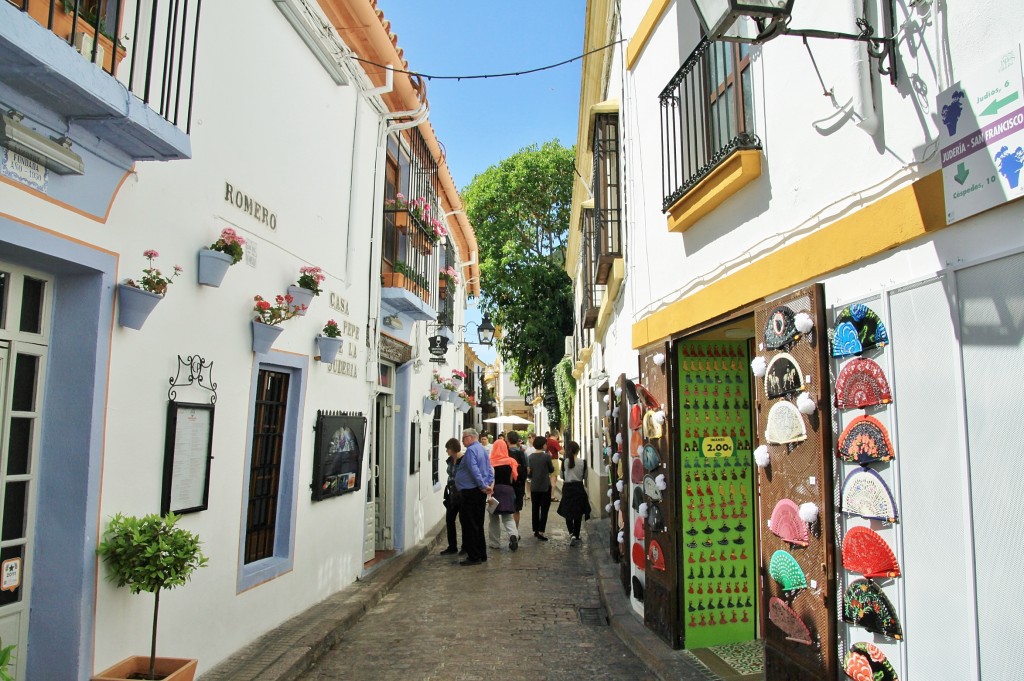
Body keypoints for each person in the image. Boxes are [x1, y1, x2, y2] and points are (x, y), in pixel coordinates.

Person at [455, 428, 494, 566]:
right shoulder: (482, 449)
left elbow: (474, 469)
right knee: (478, 523)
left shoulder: (471, 450)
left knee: (470, 524)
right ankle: (481, 554)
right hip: (478, 491)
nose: (463, 440)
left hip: (470, 491)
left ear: (471, 437)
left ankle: (474, 556)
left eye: (464, 437)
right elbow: (489, 469)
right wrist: (487, 484)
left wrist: (483, 485)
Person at [487, 438, 521, 551]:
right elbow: (513, 478)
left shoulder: (490, 462)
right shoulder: (511, 462)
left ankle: (494, 542)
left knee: (493, 518)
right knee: (508, 517)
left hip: (494, 491)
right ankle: (513, 535)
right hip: (507, 490)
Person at [556, 440, 591, 546]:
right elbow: (585, 477)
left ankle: (571, 533)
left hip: (567, 488)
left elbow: (562, 476)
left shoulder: (564, 462)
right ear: (578, 451)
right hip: (578, 487)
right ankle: (576, 534)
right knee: (578, 512)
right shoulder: (583, 462)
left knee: (568, 511)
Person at [439, 437, 463, 556]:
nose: (446, 451)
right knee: (449, 520)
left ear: (453, 448)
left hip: (462, 493)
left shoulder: (463, 460)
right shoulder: (449, 460)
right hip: (452, 494)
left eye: (448, 448)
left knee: (464, 521)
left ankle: (465, 546)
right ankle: (452, 546)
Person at [527, 435, 554, 540]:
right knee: (544, 509)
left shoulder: (530, 457)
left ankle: (535, 529)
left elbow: (529, 475)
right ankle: (541, 531)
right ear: (543, 445)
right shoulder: (546, 457)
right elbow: (551, 470)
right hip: (545, 486)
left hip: (534, 486)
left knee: (535, 508)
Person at [506, 432, 529, 530]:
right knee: (516, 510)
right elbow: (527, 469)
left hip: (507, 484)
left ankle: (510, 532)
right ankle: (515, 530)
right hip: (519, 484)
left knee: (506, 510)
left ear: (507, 440)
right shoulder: (523, 453)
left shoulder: (505, 453)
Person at [546, 429, 563, 501]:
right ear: (556, 435)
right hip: (554, 461)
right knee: (553, 479)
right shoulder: (555, 442)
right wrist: (562, 447)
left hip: (547, 460)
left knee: (548, 478)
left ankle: (547, 495)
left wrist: (558, 442)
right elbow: (562, 452)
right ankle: (551, 496)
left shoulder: (547, 440)